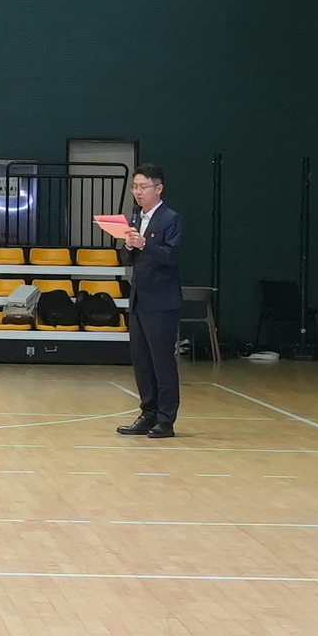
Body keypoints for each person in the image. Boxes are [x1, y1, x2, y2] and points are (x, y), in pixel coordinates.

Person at [95, 164, 185, 435]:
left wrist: (145, 243)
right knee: (142, 362)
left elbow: (171, 256)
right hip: (139, 300)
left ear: (159, 188)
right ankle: (148, 413)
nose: (138, 192)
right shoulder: (136, 218)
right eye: (135, 187)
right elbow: (127, 259)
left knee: (162, 362)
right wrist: (128, 244)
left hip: (162, 302)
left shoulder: (171, 219)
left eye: (143, 186)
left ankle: (166, 419)